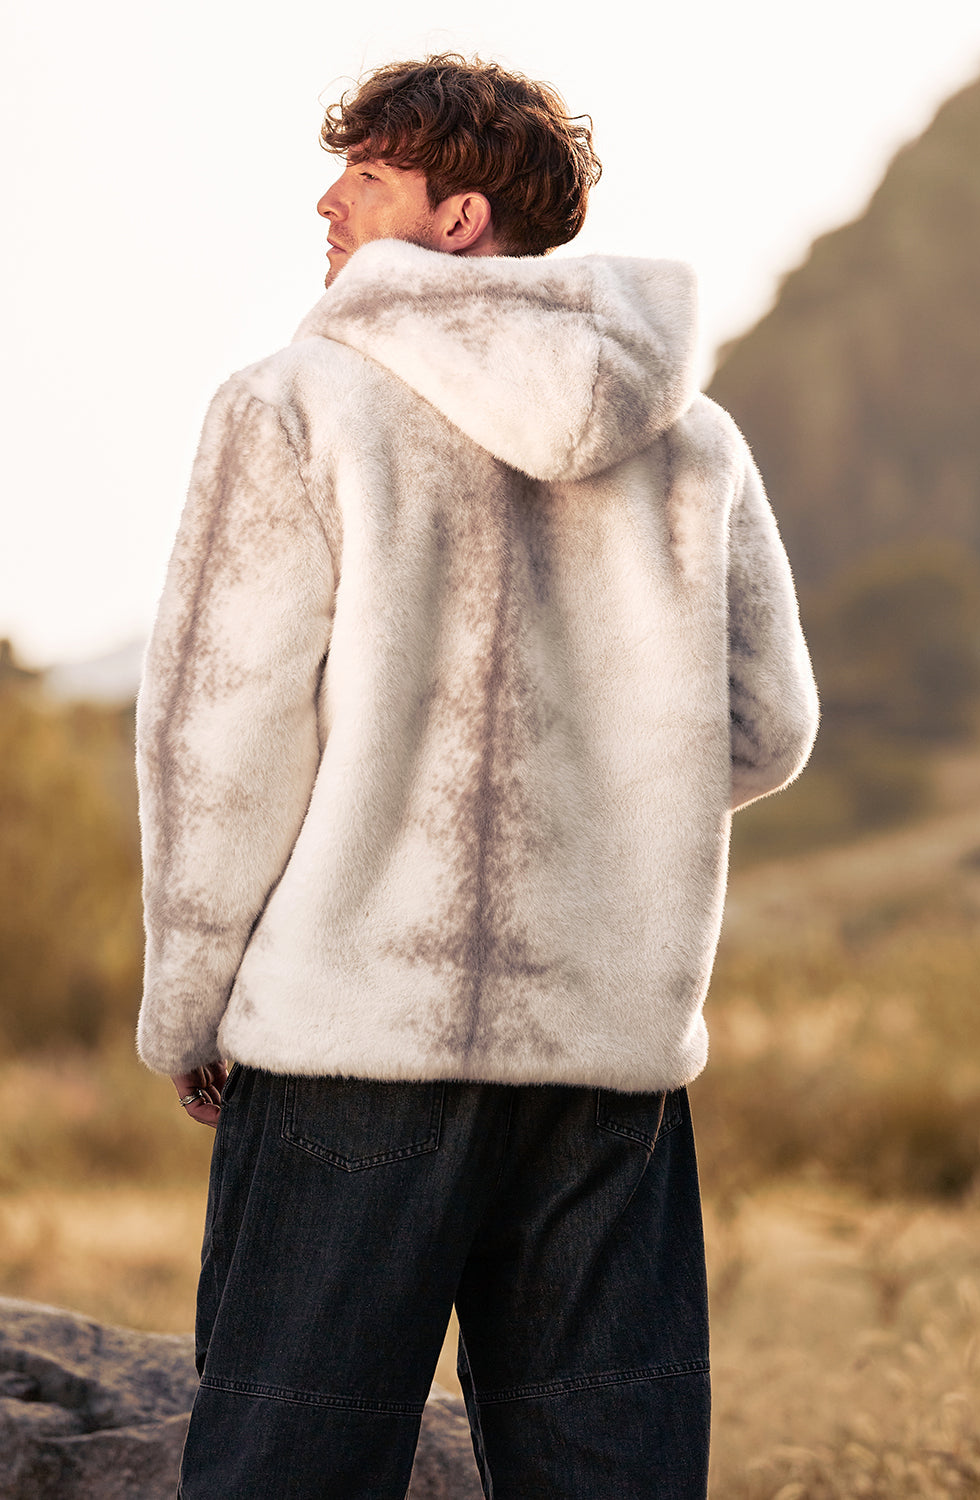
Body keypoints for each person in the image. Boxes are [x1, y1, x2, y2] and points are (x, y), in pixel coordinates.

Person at [136, 53, 819, 1500]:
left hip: (347, 1044)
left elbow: (221, 745)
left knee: (287, 1465)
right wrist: (605, 818)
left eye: (366, 177)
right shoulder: (692, 440)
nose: (325, 202)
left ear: (456, 219)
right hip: (604, 1054)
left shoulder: (294, 403)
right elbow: (767, 731)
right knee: (608, 1471)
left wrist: (188, 1005)